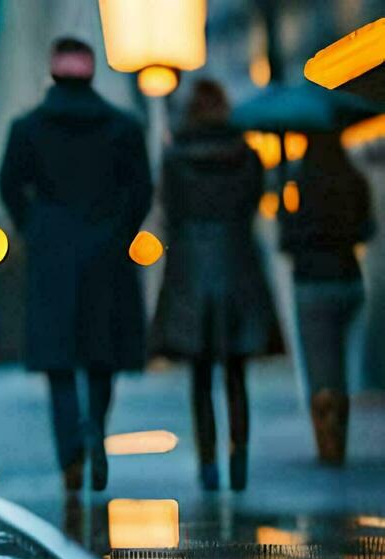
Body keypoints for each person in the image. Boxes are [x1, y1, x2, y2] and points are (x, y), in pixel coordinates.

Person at [0, 37, 153, 492]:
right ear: (90, 73)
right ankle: (97, 431)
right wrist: (119, 231)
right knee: (101, 354)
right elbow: (141, 189)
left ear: (53, 72)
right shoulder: (123, 127)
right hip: (106, 252)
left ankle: (70, 453)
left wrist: (36, 227)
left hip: (53, 256)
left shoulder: (27, 128)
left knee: (59, 360)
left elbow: (9, 185)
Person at [151, 80, 281, 491]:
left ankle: (207, 464)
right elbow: (254, 203)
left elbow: (169, 210)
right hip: (238, 264)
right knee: (236, 374)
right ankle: (238, 457)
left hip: (191, 269)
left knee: (200, 376)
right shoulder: (247, 155)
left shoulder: (174, 157)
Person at [280, 131, 374, 465]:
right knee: (342, 366)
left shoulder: (299, 182)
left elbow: (286, 239)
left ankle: (328, 445)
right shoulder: (354, 178)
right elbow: (368, 229)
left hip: (312, 283)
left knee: (321, 369)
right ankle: (341, 436)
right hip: (348, 279)